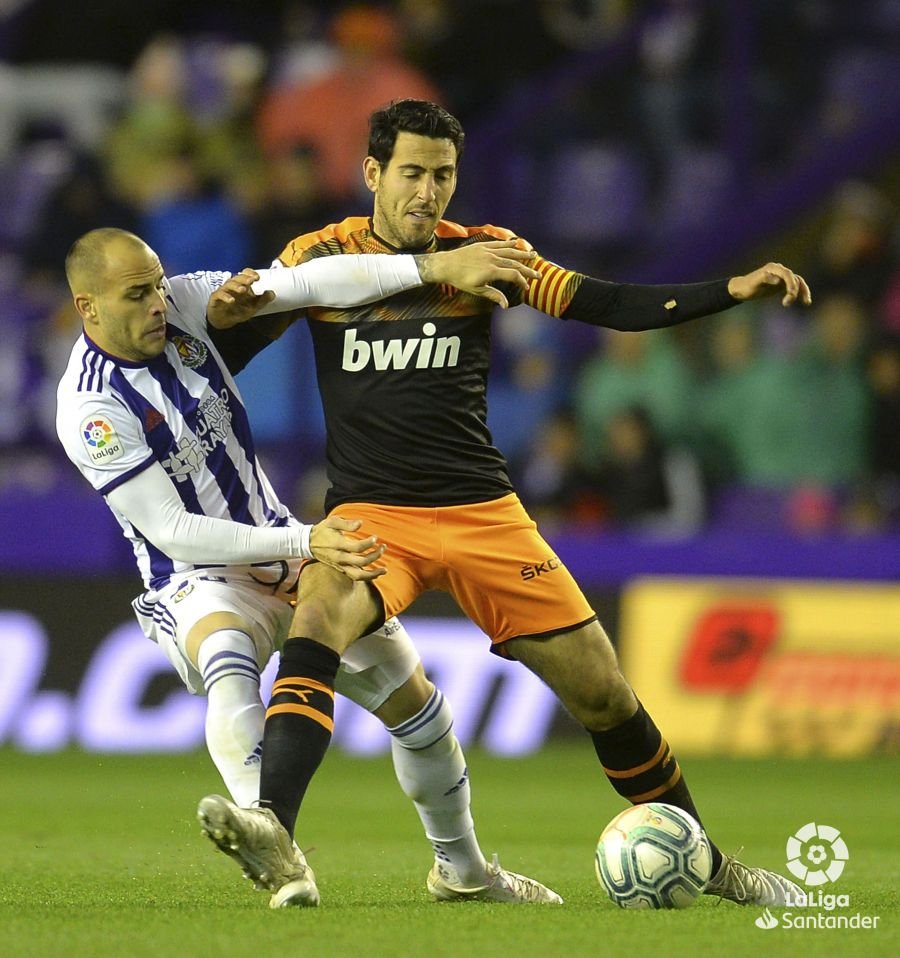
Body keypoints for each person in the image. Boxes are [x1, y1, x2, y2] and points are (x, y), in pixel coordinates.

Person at [197, 99, 812, 909]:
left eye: (443, 175)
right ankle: (273, 826)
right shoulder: (321, 257)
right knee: (316, 619)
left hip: (483, 513)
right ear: (373, 172)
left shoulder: (488, 255)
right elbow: (230, 345)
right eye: (411, 173)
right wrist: (203, 327)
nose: (427, 192)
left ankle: (713, 865)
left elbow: (606, 303)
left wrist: (729, 289)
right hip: (373, 516)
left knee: (603, 692)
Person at [55, 227, 563, 908]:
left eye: (157, 284)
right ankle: (275, 847)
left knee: (420, 710)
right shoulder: (89, 406)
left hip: (285, 546)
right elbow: (173, 530)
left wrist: (434, 266)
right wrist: (305, 542)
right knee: (228, 659)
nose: (156, 302)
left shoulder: (183, 303)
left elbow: (311, 283)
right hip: (195, 576)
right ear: (88, 307)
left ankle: (465, 872)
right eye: (136, 293)